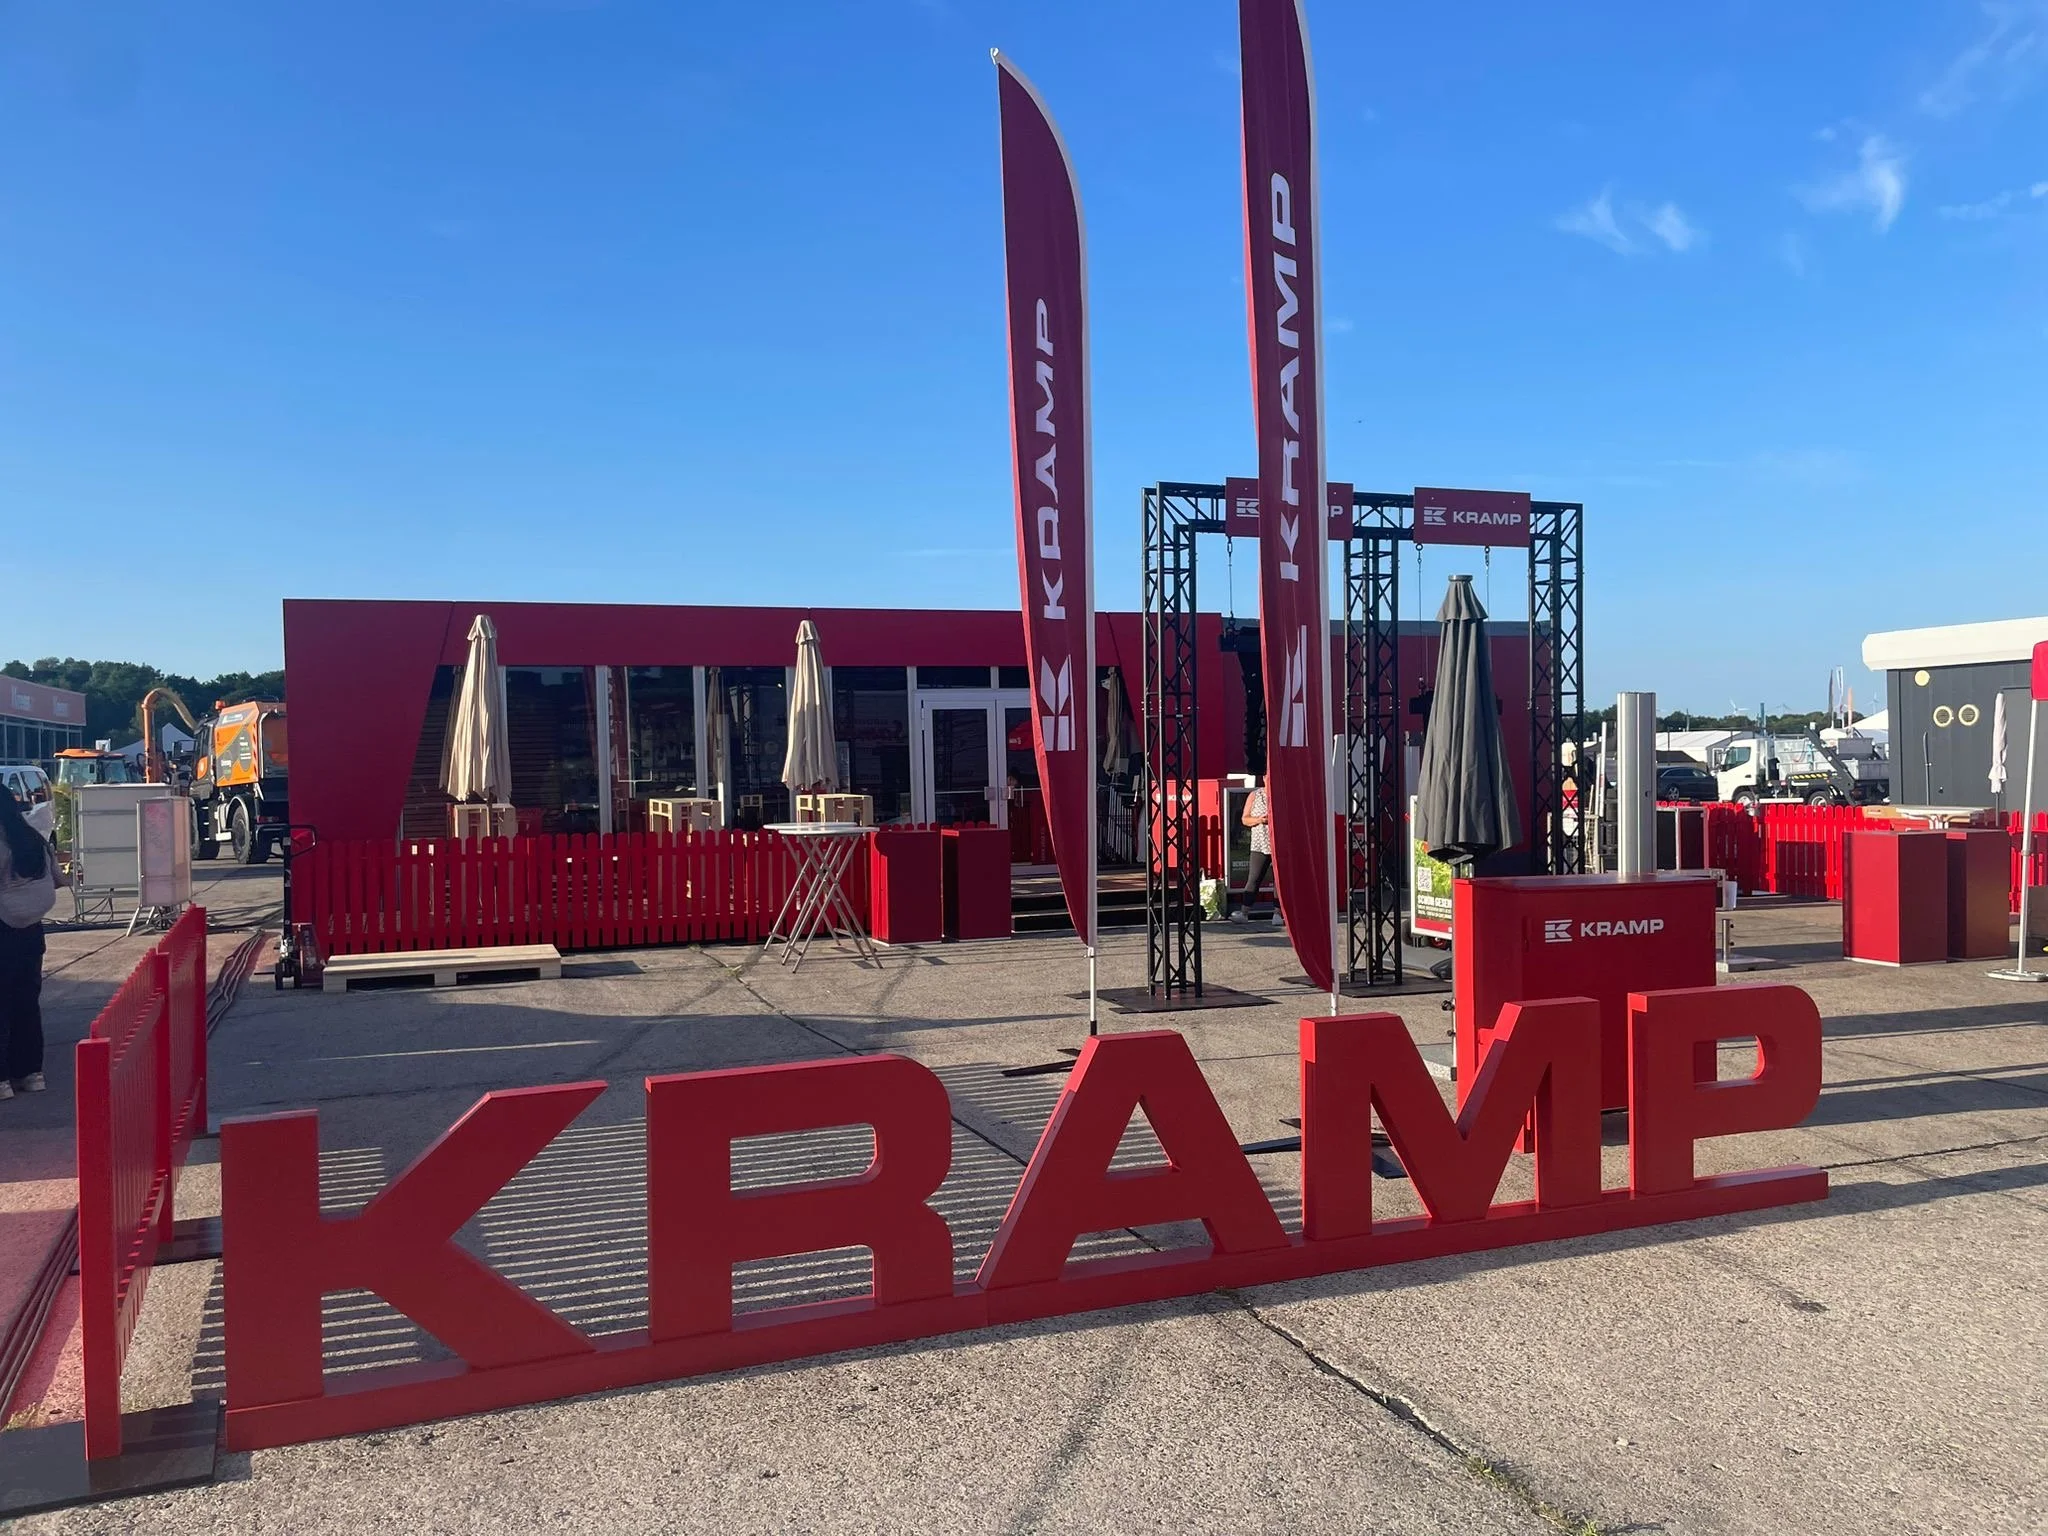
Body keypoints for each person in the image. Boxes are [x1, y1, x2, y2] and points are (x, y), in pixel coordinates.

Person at [0, 787, 57, 1099]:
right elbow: (58, 879)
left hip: (3, 929)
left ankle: (2, 1080)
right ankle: (32, 1073)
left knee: (2, 1006)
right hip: (32, 932)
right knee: (27, 1002)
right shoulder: (33, 837)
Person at [1234, 776, 1275, 922]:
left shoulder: (1281, 794)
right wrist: (1259, 820)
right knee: (1254, 878)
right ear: (1264, 778)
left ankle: (1278, 913)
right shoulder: (1255, 795)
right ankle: (1244, 912)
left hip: (1278, 843)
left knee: (1278, 880)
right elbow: (1245, 819)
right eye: (1268, 776)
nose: (1270, 779)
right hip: (1260, 843)